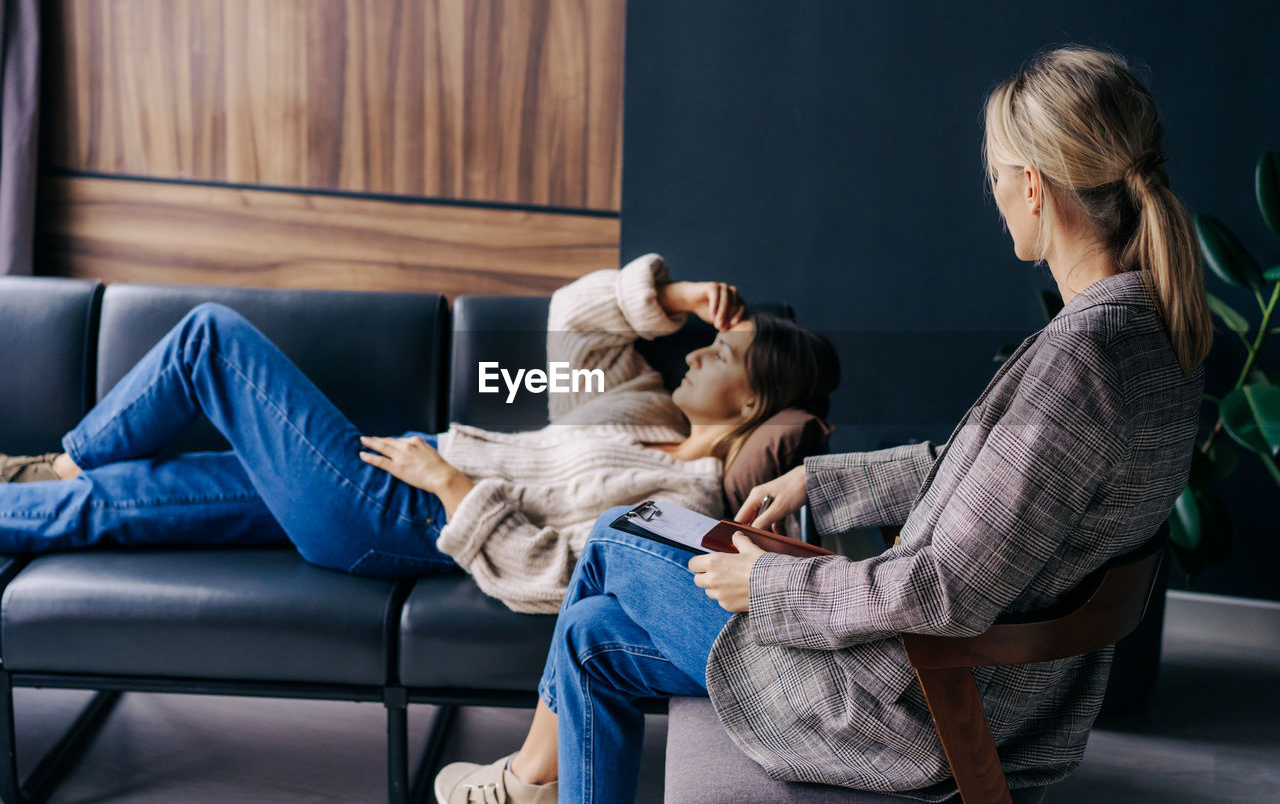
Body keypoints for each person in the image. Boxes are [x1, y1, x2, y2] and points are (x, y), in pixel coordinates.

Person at [433, 45, 1211, 803]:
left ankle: (523, 784)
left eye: (999, 177)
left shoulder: (1080, 364)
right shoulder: (1150, 336)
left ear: (1035, 187)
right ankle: (532, 784)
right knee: (594, 634)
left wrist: (768, 582)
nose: (998, 194)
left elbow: (942, 591)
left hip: (910, 703)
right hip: (969, 685)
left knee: (614, 535)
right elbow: (983, 474)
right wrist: (819, 478)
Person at [0, 254, 839, 613]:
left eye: (723, 353)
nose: (698, 352)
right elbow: (572, 321)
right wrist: (680, 293)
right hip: (384, 477)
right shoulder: (640, 411)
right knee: (133, 500)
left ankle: (61, 457)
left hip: (396, 513)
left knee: (211, 339)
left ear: (751, 405)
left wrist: (450, 485)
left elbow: (563, 576)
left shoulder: (684, 496)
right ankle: (41, 489)